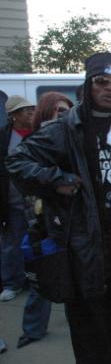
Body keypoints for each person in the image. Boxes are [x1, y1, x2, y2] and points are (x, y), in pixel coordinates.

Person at [7, 52, 111, 364]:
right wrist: (57, 181)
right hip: (86, 244)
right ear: (88, 85)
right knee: (90, 327)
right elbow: (17, 162)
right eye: (102, 83)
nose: (110, 90)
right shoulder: (66, 127)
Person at [17, 92, 73, 349]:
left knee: (74, 276)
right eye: (59, 110)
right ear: (46, 111)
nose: (64, 114)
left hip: (74, 219)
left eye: (67, 110)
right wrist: (55, 181)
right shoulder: (37, 141)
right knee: (44, 273)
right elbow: (24, 176)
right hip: (46, 219)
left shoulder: (73, 137)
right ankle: (33, 328)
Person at [0, 95, 35, 302]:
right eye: (25, 110)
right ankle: (12, 283)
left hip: (37, 201)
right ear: (13, 116)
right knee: (11, 243)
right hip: (11, 200)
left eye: (31, 109)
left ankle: (35, 279)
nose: (30, 113)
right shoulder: (3, 137)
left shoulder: (41, 132)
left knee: (37, 241)